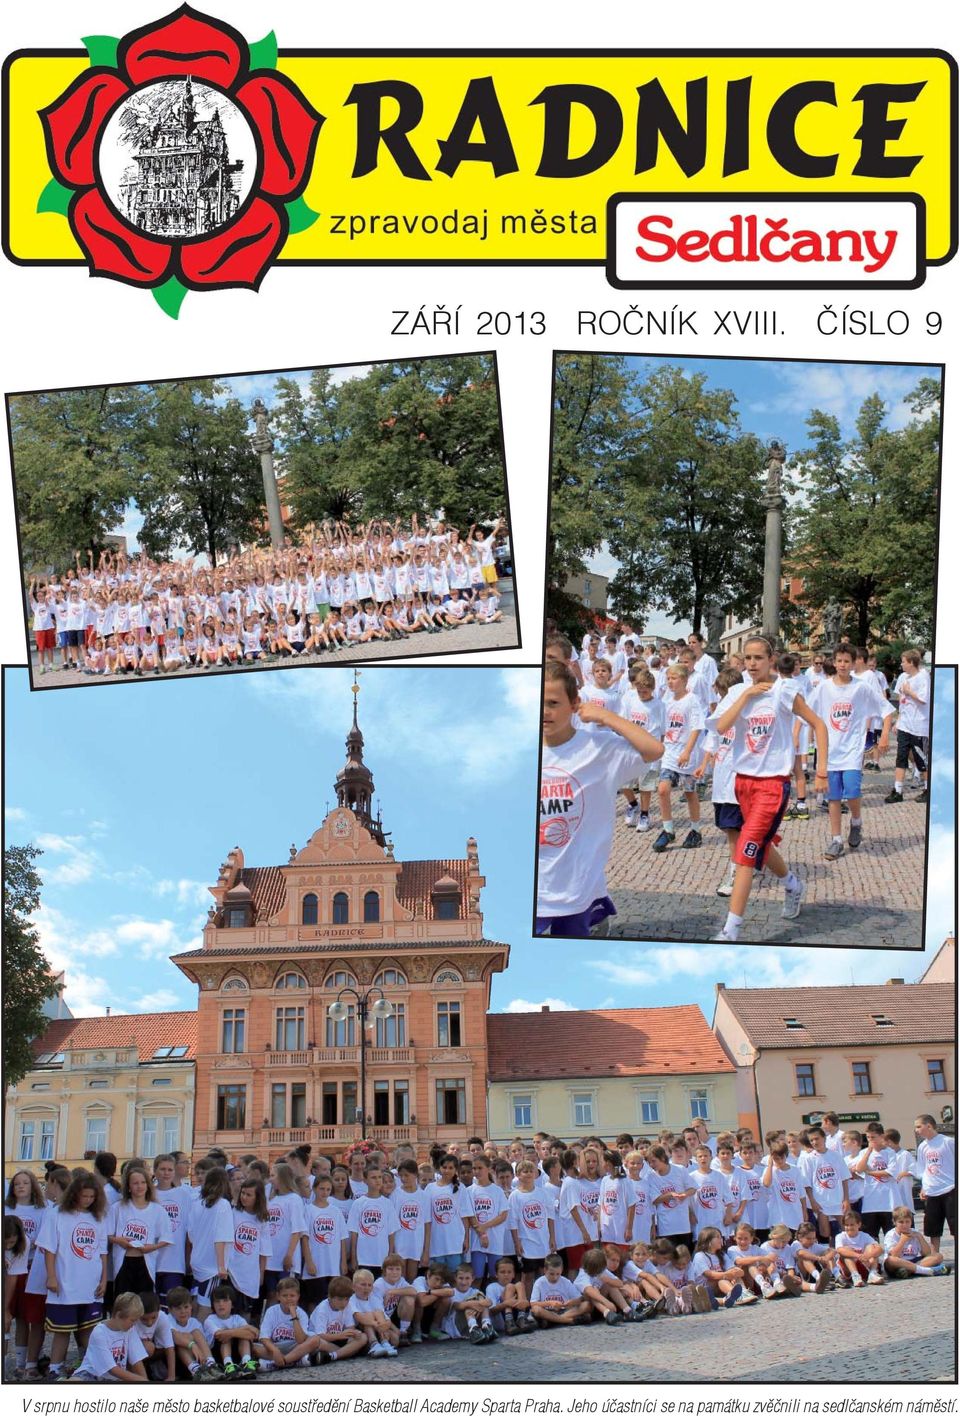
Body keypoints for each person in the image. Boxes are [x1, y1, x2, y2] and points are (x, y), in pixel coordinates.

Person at [707, 634, 828, 940]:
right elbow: (721, 727)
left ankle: (731, 930)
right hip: (742, 782)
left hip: (773, 784)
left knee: (746, 851)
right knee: (761, 844)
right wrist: (746, 696)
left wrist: (822, 769)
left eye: (758, 658)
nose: (752, 664)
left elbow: (819, 724)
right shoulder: (737, 690)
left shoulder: (785, 690)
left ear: (771, 659)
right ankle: (792, 885)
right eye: (747, 658)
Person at [537, 660, 663, 936]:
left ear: (574, 704)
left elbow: (653, 750)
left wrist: (607, 718)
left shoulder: (598, 749)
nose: (544, 711)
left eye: (554, 703)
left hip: (576, 889)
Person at [808, 643, 894, 858]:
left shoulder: (861, 687)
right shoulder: (823, 688)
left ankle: (856, 822)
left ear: (854, 663)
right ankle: (836, 839)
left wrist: (884, 735)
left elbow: (886, 709)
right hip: (830, 751)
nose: (843, 665)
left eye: (847, 661)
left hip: (852, 750)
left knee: (853, 791)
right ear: (834, 662)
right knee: (834, 797)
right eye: (839, 661)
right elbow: (808, 712)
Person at [39, 1170, 110, 1380]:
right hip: (65, 1282)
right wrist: (51, 1277)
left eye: (91, 1196)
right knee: (62, 1330)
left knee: (90, 1329)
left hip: (90, 1283)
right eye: (84, 1196)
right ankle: (55, 1368)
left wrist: (104, 1279)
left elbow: (103, 1252)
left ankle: (88, 1367)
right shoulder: (57, 1214)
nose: (88, 1200)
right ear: (74, 1194)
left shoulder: (98, 1217)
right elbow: (49, 1249)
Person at [652, 664, 704, 852]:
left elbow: (697, 727)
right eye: (668, 679)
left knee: (689, 792)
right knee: (663, 789)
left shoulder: (692, 700)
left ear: (684, 680)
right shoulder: (667, 700)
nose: (670, 682)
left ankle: (695, 830)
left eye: (674, 678)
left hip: (686, 755)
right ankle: (668, 830)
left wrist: (688, 751)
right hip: (669, 752)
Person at [185, 1167, 234, 1321]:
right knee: (206, 1306)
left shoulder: (197, 1204)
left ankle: (190, 1333)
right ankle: (198, 1340)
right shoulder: (223, 1205)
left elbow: (190, 1234)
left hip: (197, 1260)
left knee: (195, 1302)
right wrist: (221, 1266)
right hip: (212, 1265)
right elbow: (221, 1237)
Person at [67, 1291, 148, 1383]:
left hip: (114, 1378)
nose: (134, 1324)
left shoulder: (130, 1330)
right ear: (118, 1315)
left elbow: (136, 1360)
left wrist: (144, 1381)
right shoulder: (100, 1332)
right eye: (132, 1320)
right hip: (92, 1373)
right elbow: (112, 1369)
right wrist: (140, 1380)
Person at [887, 650, 930, 804]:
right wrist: (898, 721)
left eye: (903, 661)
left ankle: (927, 789)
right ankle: (897, 791)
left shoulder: (923, 676)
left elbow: (924, 699)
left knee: (921, 759)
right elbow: (902, 702)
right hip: (905, 724)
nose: (901, 664)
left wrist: (909, 691)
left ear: (911, 662)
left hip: (919, 725)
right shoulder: (903, 677)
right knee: (901, 757)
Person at [914, 1114, 955, 1255]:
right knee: (933, 1228)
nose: (916, 1130)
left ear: (929, 1126)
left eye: (919, 1126)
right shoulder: (922, 1147)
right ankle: (935, 1256)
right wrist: (924, 1187)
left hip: (950, 1189)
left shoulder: (948, 1142)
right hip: (932, 1191)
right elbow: (922, 1169)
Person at [254, 1276, 316, 1370]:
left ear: (298, 1296)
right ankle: (295, 1361)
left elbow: (300, 1340)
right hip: (275, 1347)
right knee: (253, 1347)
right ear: (278, 1296)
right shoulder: (271, 1311)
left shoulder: (301, 1313)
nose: (288, 1299)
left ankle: (281, 1362)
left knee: (315, 1340)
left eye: (292, 1295)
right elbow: (264, 1338)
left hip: (295, 1347)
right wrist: (275, 1351)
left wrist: (294, 1316)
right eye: (284, 1295)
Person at [201, 1285, 259, 1378]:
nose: (221, 1304)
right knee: (225, 1337)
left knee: (242, 1337)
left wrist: (232, 1332)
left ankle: (246, 1362)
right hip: (218, 1355)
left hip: (237, 1353)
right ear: (213, 1305)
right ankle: (228, 1364)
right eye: (217, 1301)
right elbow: (219, 1335)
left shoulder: (237, 1318)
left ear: (232, 1304)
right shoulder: (210, 1320)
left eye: (225, 1301)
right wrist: (243, 1329)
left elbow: (252, 1335)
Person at [307, 1275, 368, 1363]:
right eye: (340, 1299)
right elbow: (320, 1335)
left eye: (347, 1299)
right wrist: (340, 1336)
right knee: (318, 1343)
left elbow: (350, 1328)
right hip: (325, 1341)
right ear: (330, 1297)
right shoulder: (322, 1309)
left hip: (339, 1341)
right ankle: (347, 1352)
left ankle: (333, 1356)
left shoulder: (348, 1305)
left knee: (363, 1337)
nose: (344, 1303)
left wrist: (354, 1333)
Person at [529, 1254, 591, 1325]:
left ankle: (553, 1320)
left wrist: (573, 1302)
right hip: (547, 1311)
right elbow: (533, 1304)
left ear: (562, 1270)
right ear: (545, 1270)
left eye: (558, 1274)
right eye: (552, 1274)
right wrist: (550, 1303)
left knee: (586, 1305)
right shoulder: (539, 1282)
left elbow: (580, 1298)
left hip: (565, 1311)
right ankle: (568, 1321)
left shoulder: (566, 1282)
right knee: (536, 1310)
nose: (555, 1277)